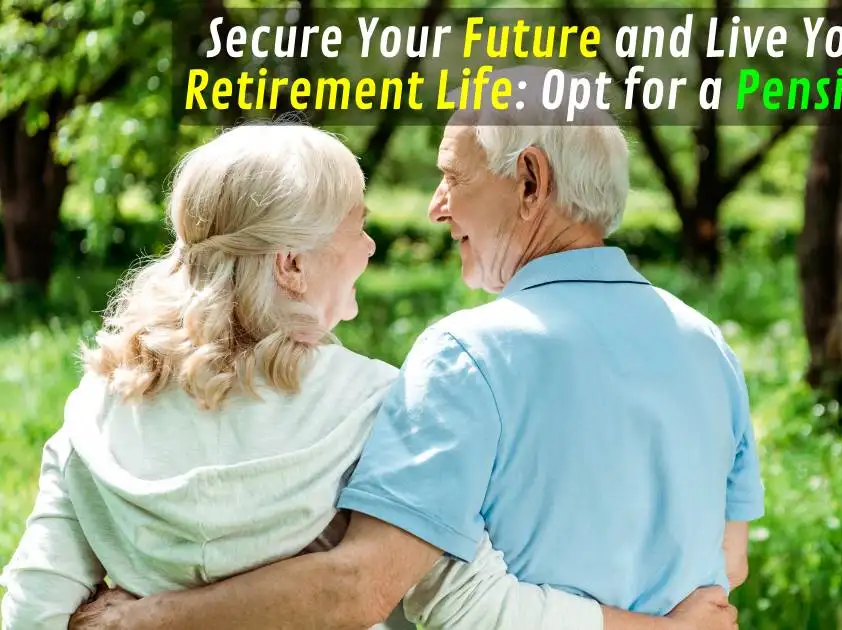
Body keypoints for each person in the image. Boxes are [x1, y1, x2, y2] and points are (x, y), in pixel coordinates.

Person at [66, 67, 764, 630]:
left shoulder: (468, 355)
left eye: (453, 177)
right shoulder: (709, 347)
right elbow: (727, 565)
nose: (435, 206)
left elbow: (369, 589)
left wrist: (151, 619)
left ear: (529, 181)